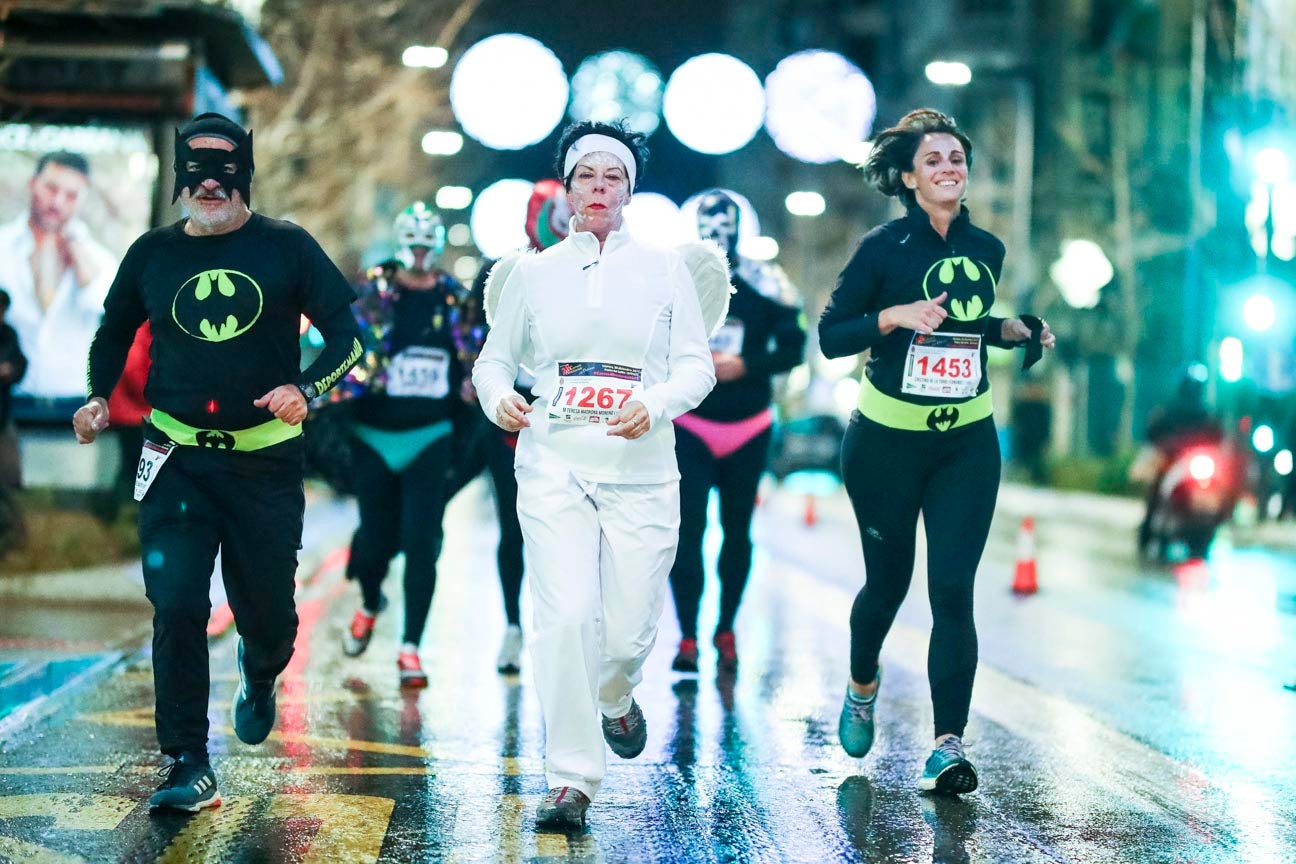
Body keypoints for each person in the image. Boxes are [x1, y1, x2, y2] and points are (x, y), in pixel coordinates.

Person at [73, 113, 362, 814]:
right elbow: (113, 331)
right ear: (179, 181)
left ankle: (260, 674)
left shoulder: (287, 248)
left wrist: (307, 387)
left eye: (223, 173)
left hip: (264, 469)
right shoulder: (152, 255)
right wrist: (96, 398)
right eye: (195, 174)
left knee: (269, 618)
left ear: (245, 177)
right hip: (174, 461)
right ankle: (186, 761)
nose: (209, 187)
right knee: (175, 606)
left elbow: (350, 340)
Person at [472, 119, 720, 829]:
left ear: (630, 190)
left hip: (642, 472)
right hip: (554, 465)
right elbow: (494, 359)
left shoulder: (667, 269)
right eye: (587, 176)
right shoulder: (531, 274)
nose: (600, 188)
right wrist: (499, 398)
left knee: (626, 635)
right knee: (566, 617)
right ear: (568, 189)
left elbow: (696, 367)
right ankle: (572, 781)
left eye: (613, 176)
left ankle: (616, 696)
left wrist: (657, 401)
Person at [818, 109, 1055, 795]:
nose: (949, 168)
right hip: (885, 445)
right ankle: (863, 681)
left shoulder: (987, 248)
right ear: (907, 177)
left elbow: (967, 326)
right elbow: (834, 334)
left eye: (957, 158)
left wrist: (1011, 329)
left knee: (952, 589)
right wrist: (892, 317)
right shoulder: (882, 249)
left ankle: (947, 747)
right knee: (887, 586)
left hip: (965, 444)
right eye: (934, 161)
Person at [667, 190, 806, 674]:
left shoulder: (767, 280)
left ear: (742, 225)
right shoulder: (676, 277)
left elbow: (795, 347)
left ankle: (725, 628)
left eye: (727, 222)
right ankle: (686, 636)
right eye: (709, 222)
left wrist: (745, 364)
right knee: (687, 533)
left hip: (749, 425)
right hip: (691, 422)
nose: (718, 231)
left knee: (738, 530)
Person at [338, 202, 475, 687]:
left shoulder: (455, 298)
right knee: (373, 542)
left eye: (426, 243)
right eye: (411, 243)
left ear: (436, 246)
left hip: (429, 434)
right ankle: (372, 601)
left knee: (423, 542)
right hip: (374, 435)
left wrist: (471, 382)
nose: (419, 252)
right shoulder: (374, 289)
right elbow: (348, 345)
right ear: (401, 243)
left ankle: (411, 648)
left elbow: (471, 354)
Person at [447, 179, 571, 675]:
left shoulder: (587, 269)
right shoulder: (505, 269)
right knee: (514, 528)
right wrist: (474, 374)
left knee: (568, 531)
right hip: (510, 423)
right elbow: (468, 327)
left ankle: (561, 628)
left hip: (569, 421)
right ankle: (514, 628)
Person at [0, 151, 118, 399]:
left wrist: (76, 251)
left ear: (82, 200)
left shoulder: (100, 260)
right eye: (51, 188)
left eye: (71, 195)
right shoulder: (2, 246)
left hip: (74, 407)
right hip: (7, 404)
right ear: (33, 184)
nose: (57, 202)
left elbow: (109, 311)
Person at [1137, 365, 1224, 553]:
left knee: (1220, 483)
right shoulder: (1169, 410)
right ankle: (1149, 525)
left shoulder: (1205, 413)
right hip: (1172, 460)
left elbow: (1217, 435)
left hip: (1194, 462)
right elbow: (1154, 431)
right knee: (1158, 483)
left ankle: (1214, 523)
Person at [0, 289, 29, 550]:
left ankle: (13, 540)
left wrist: (11, 370)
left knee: (8, 481)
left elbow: (20, 363)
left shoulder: (8, 335)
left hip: (2, 416)